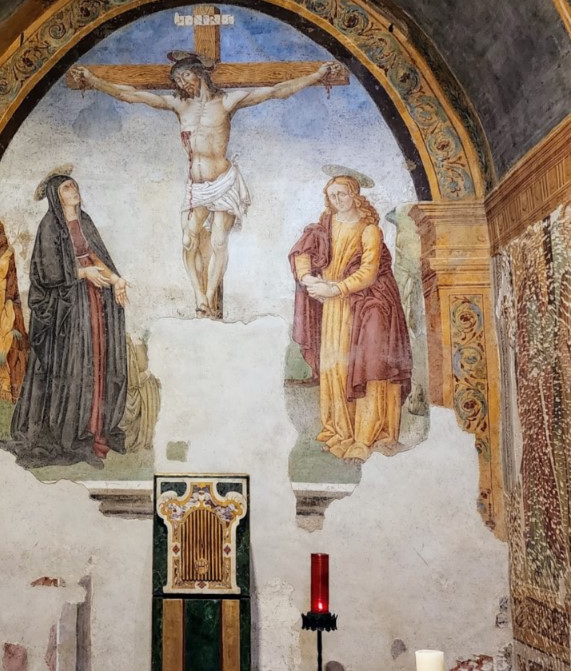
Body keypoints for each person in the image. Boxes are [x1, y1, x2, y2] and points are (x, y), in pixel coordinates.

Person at [77, 53, 333, 316]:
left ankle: (208, 299)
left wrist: (315, 76)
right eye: (177, 79)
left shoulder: (225, 102)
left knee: (219, 241)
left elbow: (275, 91)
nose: (182, 83)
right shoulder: (180, 105)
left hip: (223, 180)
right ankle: (198, 294)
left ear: (199, 73)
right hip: (196, 186)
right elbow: (131, 95)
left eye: (185, 75)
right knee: (189, 240)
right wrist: (95, 80)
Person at [5, 172, 129, 467]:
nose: (74, 190)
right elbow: (46, 273)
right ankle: (72, 433)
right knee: (76, 364)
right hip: (67, 311)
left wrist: (116, 279)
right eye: (66, 187)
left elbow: (96, 256)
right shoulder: (49, 226)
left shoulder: (84, 221)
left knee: (97, 361)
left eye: (74, 185)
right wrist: (82, 273)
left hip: (93, 302)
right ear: (56, 195)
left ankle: (96, 430)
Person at [290, 173, 412, 462]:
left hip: (366, 304)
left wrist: (335, 288)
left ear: (355, 195)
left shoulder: (369, 230)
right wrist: (309, 281)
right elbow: (301, 254)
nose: (337, 200)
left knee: (365, 367)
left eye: (342, 194)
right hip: (333, 306)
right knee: (334, 366)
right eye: (332, 195)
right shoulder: (325, 226)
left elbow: (369, 273)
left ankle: (364, 437)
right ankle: (339, 430)